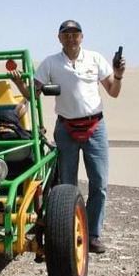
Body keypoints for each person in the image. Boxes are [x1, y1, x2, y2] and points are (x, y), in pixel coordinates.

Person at [10, 19, 125, 253]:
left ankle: (92, 235)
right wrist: (20, 86)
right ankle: (69, 233)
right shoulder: (51, 63)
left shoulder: (95, 59)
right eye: (66, 34)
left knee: (99, 184)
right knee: (67, 186)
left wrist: (119, 74)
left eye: (75, 33)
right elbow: (34, 93)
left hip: (95, 127)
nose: (71, 38)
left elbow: (113, 91)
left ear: (82, 37)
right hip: (66, 129)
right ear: (59, 38)